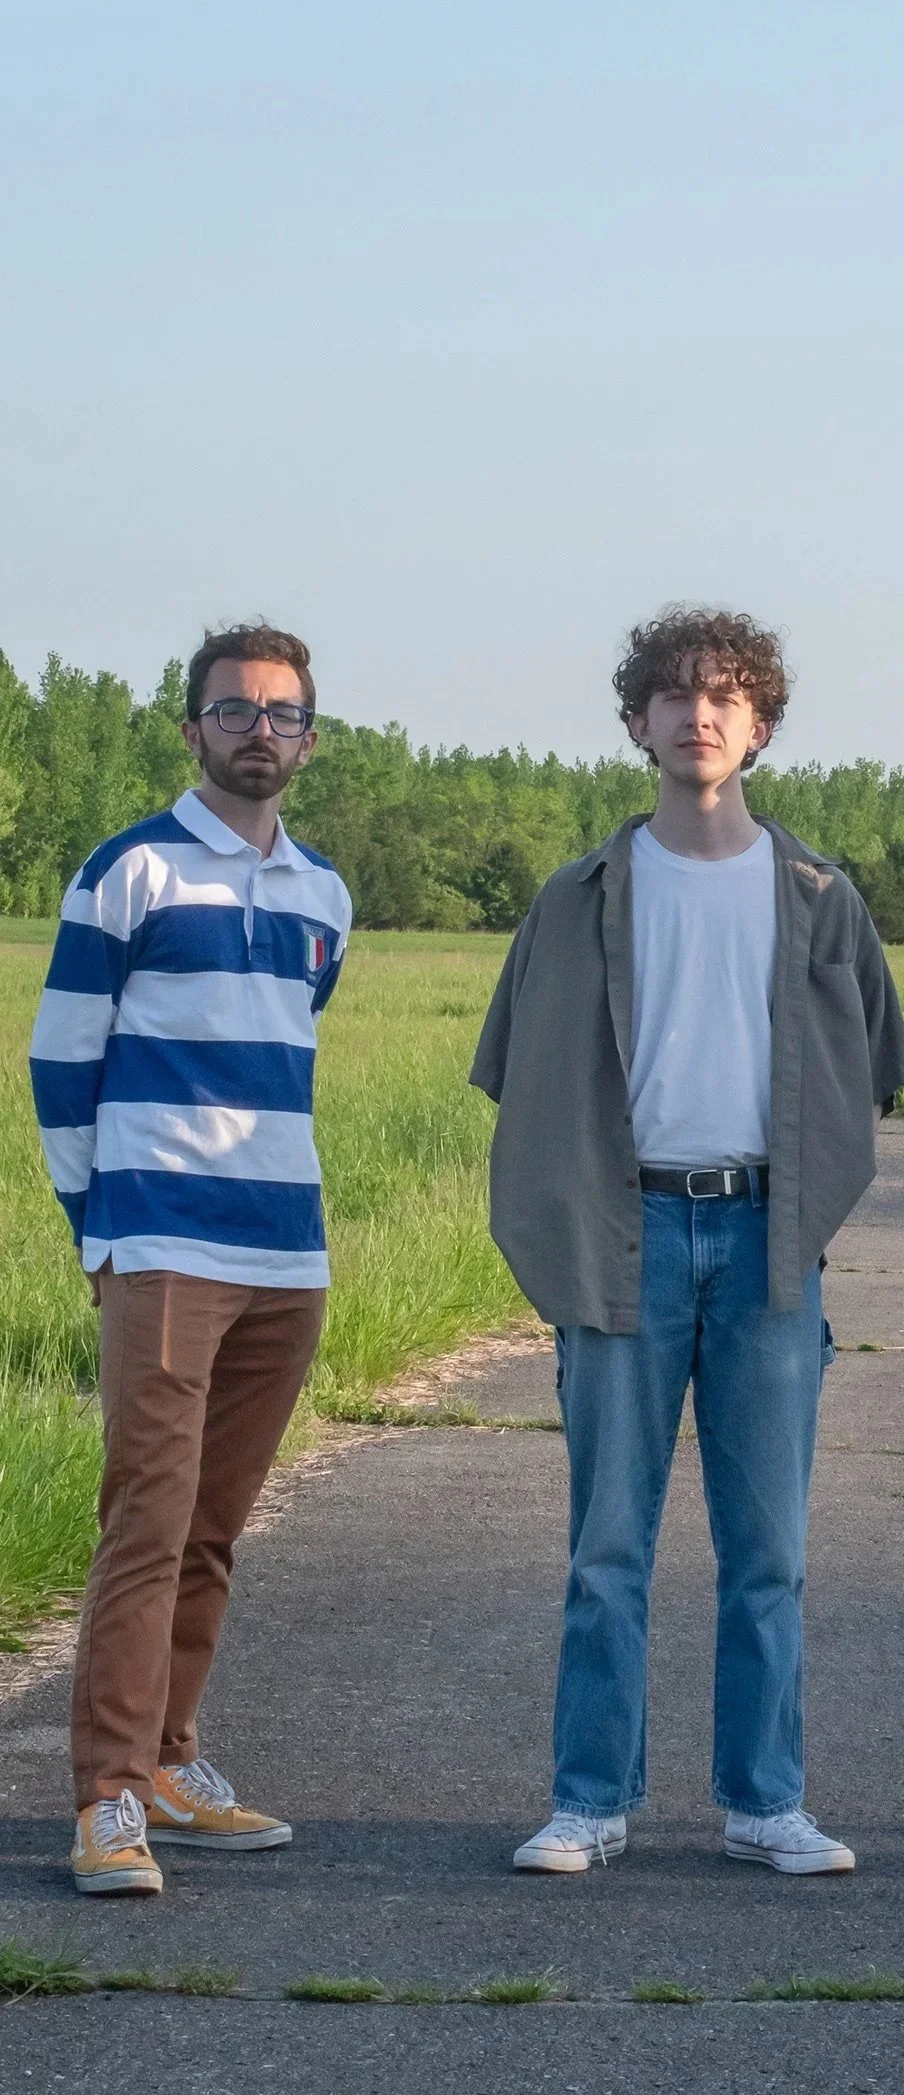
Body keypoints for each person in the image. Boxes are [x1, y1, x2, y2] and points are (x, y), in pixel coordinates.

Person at [473, 605, 904, 1878]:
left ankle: (764, 1798)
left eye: (724, 693)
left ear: (759, 723)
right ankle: (588, 1798)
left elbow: (871, 1065)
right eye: (673, 693)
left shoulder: (821, 897)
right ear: (637, 723)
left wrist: (807, 1196)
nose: (698, 711)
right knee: (607, 1545)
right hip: (627, 1235)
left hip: (768, 1239)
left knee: (766, 1549)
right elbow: (527, 1077)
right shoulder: (576, 899)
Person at [29, 623, 351, 1895]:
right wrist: (98, 1225)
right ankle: (105, 1798)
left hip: (286, 1249)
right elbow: (62, 1062)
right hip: (162, 1245)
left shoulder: (325, 891)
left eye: (281, 714)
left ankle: (170, 1757)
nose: (257, 731)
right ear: (192, 729)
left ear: (310, 739)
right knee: (146, 1521)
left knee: (215, 1526)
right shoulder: (131, 871)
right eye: (233, 711)